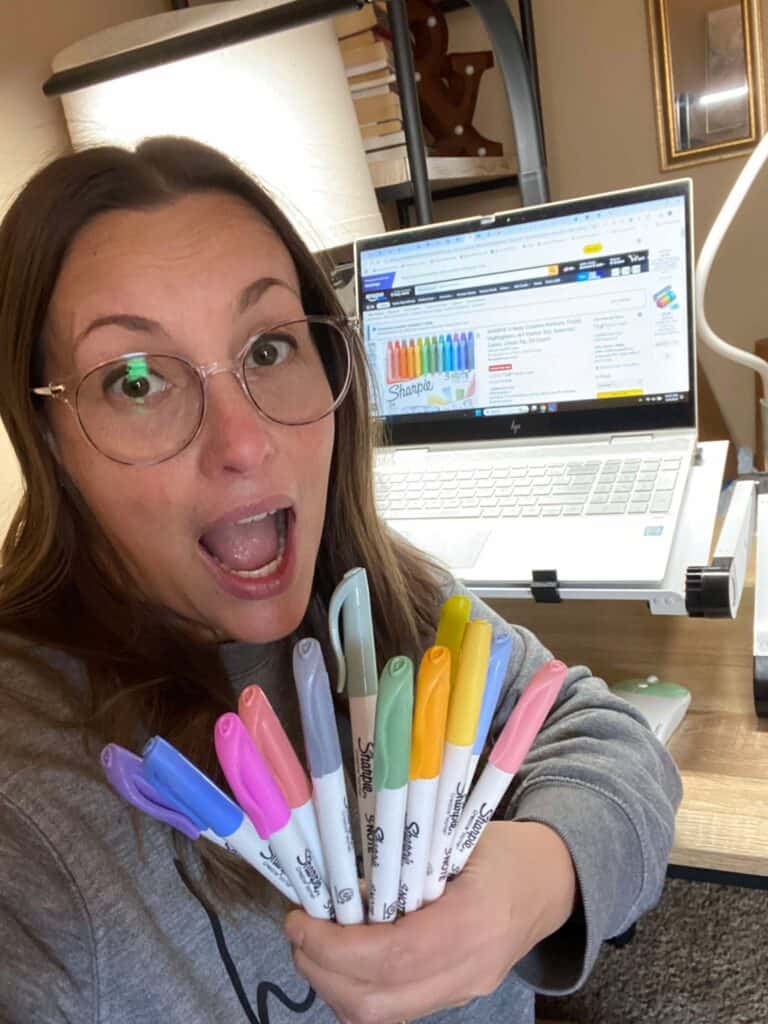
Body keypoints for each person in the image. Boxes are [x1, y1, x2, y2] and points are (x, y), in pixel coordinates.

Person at [0, 136, 681, 1024]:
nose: (245, 443)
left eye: (269, 347)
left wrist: (534, 879)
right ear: (48, 441)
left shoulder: (379, 596)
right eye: (135, 381)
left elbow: (602, 733)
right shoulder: (31, 802)